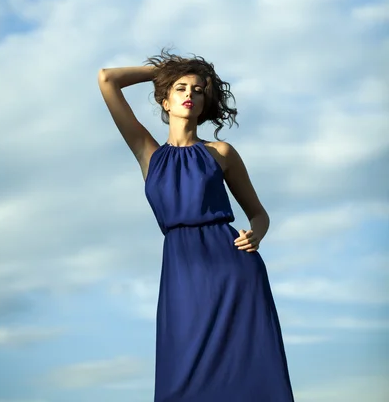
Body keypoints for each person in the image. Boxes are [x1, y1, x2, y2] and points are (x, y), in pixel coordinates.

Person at [98, 50, 295, 402]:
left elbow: (259, 214)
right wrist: (167, 71)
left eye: (198, 90)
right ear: (165, 99)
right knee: (181, 375)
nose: (190, 94)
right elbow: (107, 79)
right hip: (181, 273)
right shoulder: (149, 153)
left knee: (249, 374)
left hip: (233, 270)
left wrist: (256, 235)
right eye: (180, 88)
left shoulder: (221, 152)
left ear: (205, 103)